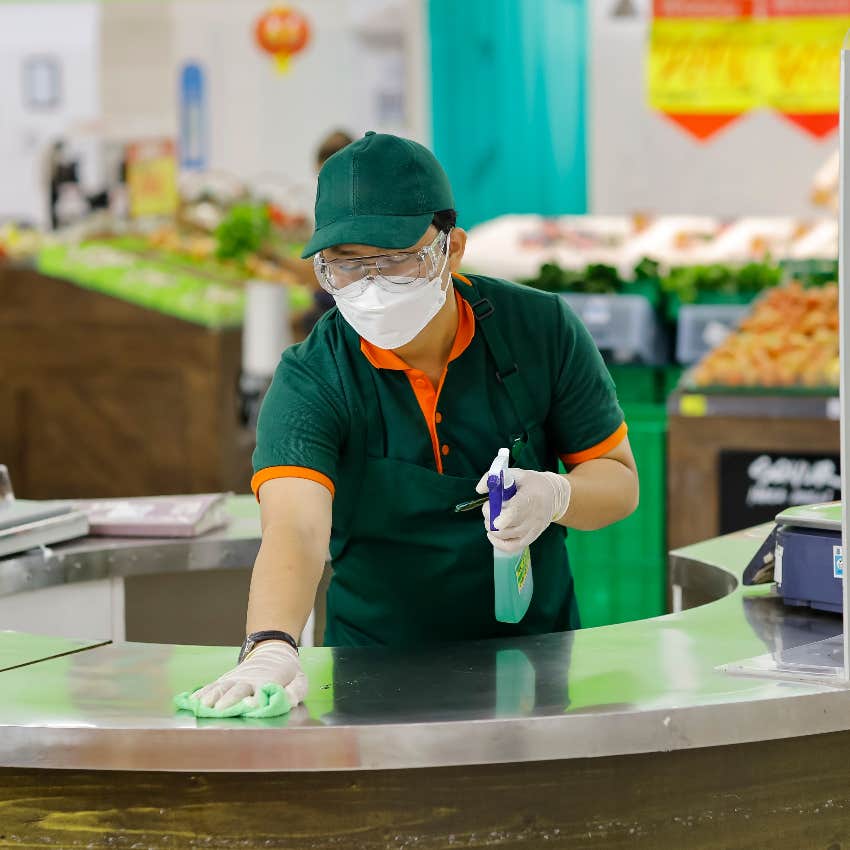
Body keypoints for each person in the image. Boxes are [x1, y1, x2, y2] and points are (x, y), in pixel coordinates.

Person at [193, 132, 639, 713]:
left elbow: (620, 482)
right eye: (347, 265)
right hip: (374, 677)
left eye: (397, 257)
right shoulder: (312, 377)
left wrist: (557, 494)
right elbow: (296, 529)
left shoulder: (542, 330)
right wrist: (270, 646)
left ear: (452, 248)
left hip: (536, 666)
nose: (373, 284)